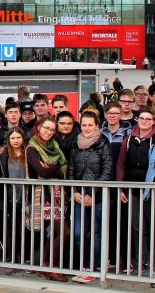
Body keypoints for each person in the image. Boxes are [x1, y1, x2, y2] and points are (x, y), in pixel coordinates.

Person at [68, 111, 114, 284]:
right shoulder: (76, 144)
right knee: (79, 233)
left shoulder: (103, 145)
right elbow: (71, 170)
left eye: (90, 125)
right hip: (79, 197)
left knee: (95, 233)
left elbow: (107, 173)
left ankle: (94, 268)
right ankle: (84, 266)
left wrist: (92, 194)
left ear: (97, 126)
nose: (87, 128)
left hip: (98, 198)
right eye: (84, 125)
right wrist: (75, 192)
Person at [26, 116, 69, 282]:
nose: (48, 132)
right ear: (38, 127)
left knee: (54, 232)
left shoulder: (54, 146)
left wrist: (52, 168)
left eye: (52, 129)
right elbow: (42, 171)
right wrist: (56, 167)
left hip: (57, 193)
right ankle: (50, 266)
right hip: (43, 195)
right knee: (64, 232)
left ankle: (45, 266)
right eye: (46, 128)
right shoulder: (32, 147)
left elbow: (53, 169)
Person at [116, 107, 155, 274]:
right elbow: (121, 164)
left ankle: (152, 264)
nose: (144, 121)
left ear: (153, 122)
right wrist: (121, 188)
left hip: (151, 190)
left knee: (152, 227)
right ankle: (141, 262)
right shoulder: (128, 138)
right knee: (138, 228)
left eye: (148, 119)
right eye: (141, 118)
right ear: (137, 119)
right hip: (133, 189)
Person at [0, 127, 29, 263]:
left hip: (24, 199)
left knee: (22, 230)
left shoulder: (29, 153)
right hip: (7, 198)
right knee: (7, 230)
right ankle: (10, 257)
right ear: (8, 140)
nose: (16, 140)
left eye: (18, 137)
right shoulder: (1, 155)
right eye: (13, 138)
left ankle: (23, 257)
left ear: (23, 138)